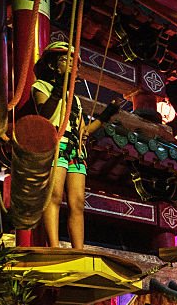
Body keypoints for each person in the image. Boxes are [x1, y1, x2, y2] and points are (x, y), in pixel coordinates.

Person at [31, 41, 120, 249]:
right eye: (66, 59)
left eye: (74, 60)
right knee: (53, 196)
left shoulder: (75, 100)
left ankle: (78, 249)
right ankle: (53, 247)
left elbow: (84, 132)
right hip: (56, 144)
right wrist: (60, 88)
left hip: (76, 150)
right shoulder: (41, 87)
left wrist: (106, 114)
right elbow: (45, 114)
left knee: (78, 203)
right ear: (53, 65)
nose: (72, 63)